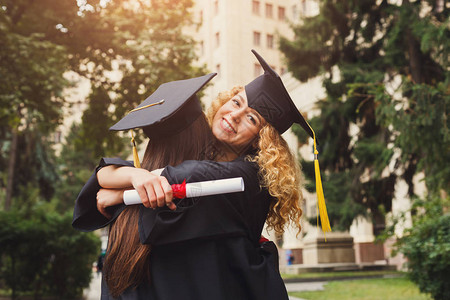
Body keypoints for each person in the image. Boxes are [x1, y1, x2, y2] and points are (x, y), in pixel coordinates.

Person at [73, 50, 329, 299]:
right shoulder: (192, 152)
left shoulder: (252, 178)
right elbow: (106, 175)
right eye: (236, 102)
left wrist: (119, 195)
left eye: (251, 119)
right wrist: (134, 178)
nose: (235, 116)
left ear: (260, 140)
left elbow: (189, 177)